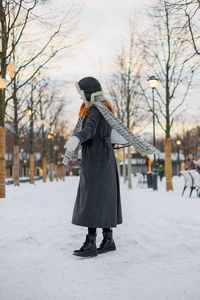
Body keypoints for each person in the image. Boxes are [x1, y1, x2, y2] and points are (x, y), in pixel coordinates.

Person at [65, 77, 123, 257]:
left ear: (88, 92)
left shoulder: (94, 110)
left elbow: (89, 130)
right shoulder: (105, 108)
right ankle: (108, 239)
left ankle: (91, 243)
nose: (81, 96)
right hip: (105, 157)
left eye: (81, 92)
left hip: (96, 158)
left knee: (91, 198)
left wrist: (77, 138)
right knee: (103, 197)